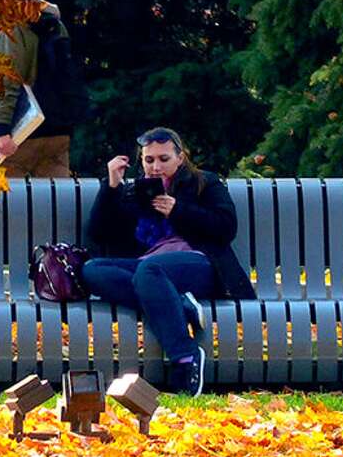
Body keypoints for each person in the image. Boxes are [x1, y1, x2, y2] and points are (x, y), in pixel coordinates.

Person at [83, 128, 253, 395]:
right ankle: (178, 302)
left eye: (163, 159)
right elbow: (99, 234)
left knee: (149, 270)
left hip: (201, 265)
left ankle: (185, 358)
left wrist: (179, 210)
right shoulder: (136, 192)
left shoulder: (205, 183)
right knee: (92, 270)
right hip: (149, 271)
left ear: (180, 158)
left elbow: (226, 227)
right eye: (149, 160)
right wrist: (112, 185)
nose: (156, 167)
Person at [0, 0, 88, 178]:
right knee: (55, 201)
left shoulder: (9, 28)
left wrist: (1, 129)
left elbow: (5, 80)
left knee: (4, 203)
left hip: (19, 133)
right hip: (58, 133)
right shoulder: (55, 24)